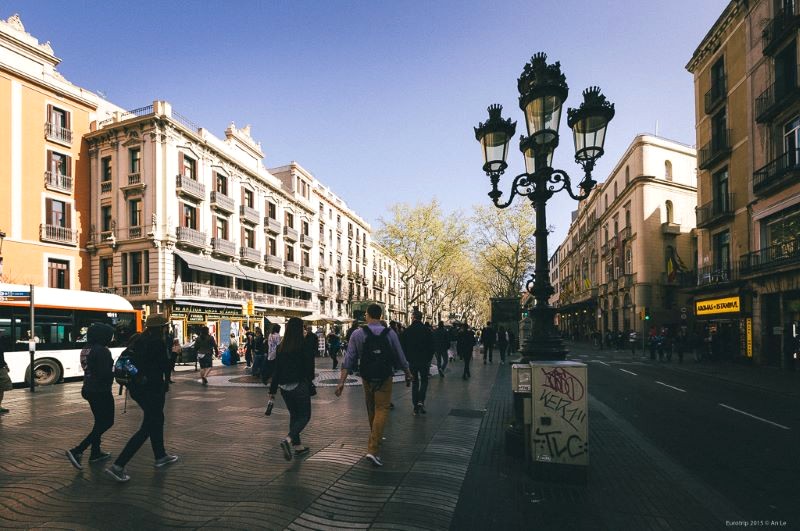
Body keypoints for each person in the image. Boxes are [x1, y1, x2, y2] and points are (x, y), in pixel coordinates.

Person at [335, 304, 411, 467]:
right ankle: (373, 448)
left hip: (367, 376)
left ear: (368, 315)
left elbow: (349, 359)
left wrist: (341, 382)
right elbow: (400, 354)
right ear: (381, 315)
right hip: (385, 376)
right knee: (382, 409)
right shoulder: (390, 333)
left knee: (371, 408)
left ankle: (374, 439)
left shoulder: (357, 334)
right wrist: (407, 372)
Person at [106, 315, 178, 482]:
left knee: (157, 419)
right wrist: (174, 354)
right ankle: (118, 465)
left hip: (137, 388)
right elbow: (165, 366)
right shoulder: (156, 342)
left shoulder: (137, 339)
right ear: (161, 328)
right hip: (152, 388)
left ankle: (160, 455)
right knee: (149, 425)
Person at [66, 323, 116, 469]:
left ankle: (96, 452)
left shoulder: (86, 348)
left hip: (88, 388)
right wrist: (115, 372)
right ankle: (78, 450)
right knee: (107, 422)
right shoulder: (102, 350)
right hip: (101, 390)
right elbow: (104, 374)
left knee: (99, 422)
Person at [269, 317, 316, 460]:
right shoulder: (303, 345)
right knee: (304, 416)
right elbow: (309, 367)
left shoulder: (281, 347)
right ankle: (288, 440)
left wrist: (272, 391)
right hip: (299, 385)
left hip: (284, 388)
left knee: (294, 415)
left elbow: (276, 371)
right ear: (300, 329)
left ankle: (298, 446)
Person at [401, 310, 435, 415]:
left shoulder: (407, 331)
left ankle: (415, 407)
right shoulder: (427, 331)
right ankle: (421, 401)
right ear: (421, 318)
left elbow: (403, 347)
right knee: (424, 381)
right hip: (424, 361)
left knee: (415, 382)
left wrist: (408, 358)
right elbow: (432, 346)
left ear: (413, 317)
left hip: (412, 361)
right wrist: (429, 358)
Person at [0, 332, 12, 414]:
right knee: (3, 384)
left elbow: (1, 356)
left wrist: (5, 364)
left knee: (2, 387)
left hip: (1, 366)